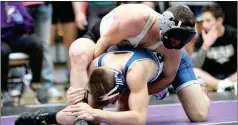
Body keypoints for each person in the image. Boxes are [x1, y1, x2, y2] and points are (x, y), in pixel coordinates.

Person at [15, 48, 210, 125]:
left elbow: (138, 119)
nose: (110, 103)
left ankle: (198, 88)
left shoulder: (136, 73)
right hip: (133, 75)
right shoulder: (95, 69)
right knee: (91, 115)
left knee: (198, 115)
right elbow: (91, 115)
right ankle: (44, 116)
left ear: (119, 90)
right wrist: (62, 114)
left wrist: (97, 113)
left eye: (111, 100)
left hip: (172, 61)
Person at [191, 4, 237, 93]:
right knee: (193, 71)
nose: (204, 25)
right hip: (211, 79)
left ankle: (225, 85)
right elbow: (195, 66)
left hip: (232, 76)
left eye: (208, 21)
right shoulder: (202, 38)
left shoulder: (234, 35)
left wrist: (230, 80)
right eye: (203, 21)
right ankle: (223, 85)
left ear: (219, 21)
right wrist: (206, 45)